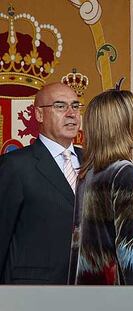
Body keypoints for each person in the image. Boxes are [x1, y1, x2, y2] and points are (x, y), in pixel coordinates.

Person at [67, 89, 133, 285]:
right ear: (120, 122)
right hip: (119, 296)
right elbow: (128, 249)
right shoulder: (125, 172)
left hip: (90, 291)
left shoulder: (88, 172)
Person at [0, 82, 82, 284]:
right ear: (38, 115)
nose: (71, 113)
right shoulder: (15, 165)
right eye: (60, 106)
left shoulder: (94, 163)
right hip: (32, 291)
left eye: (75, 105)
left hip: (89, 289)